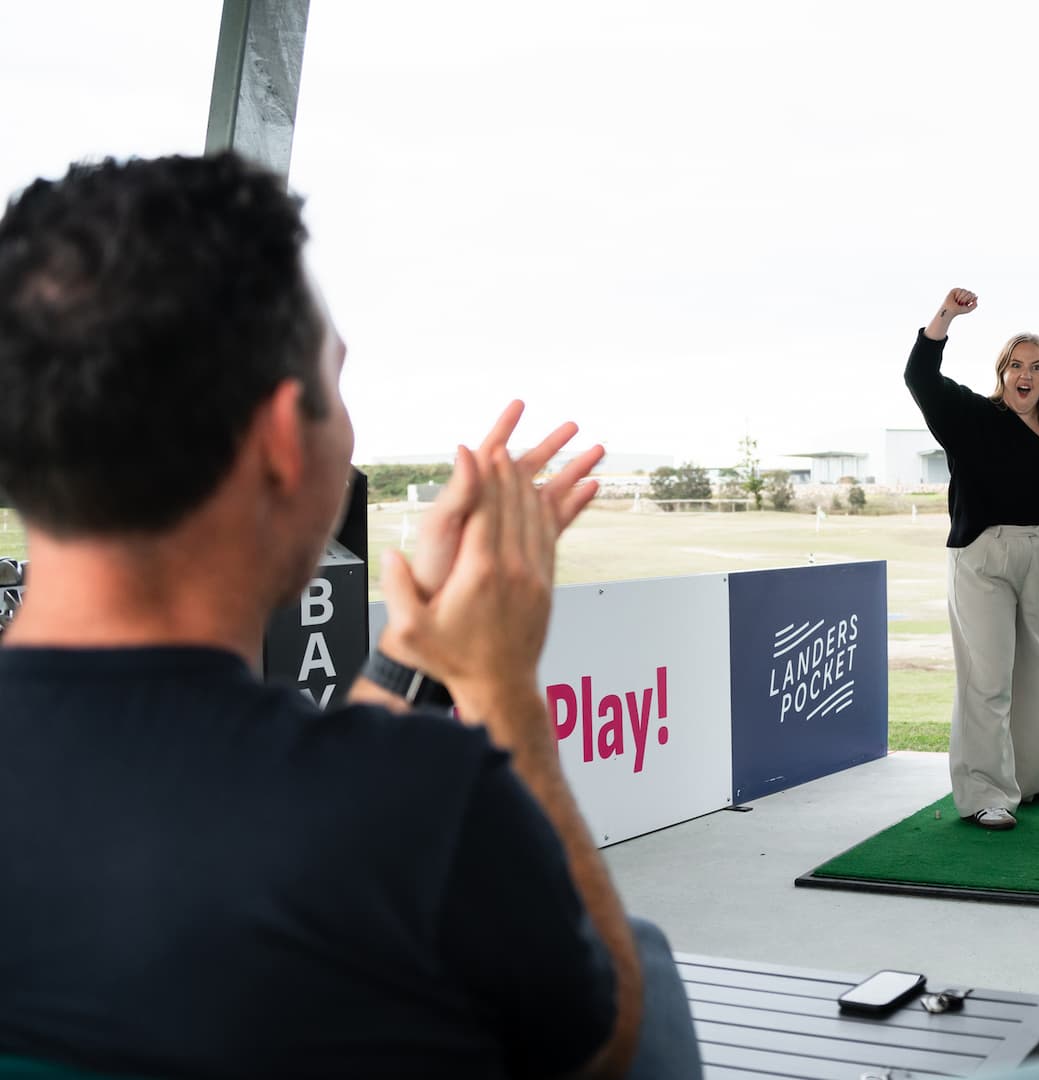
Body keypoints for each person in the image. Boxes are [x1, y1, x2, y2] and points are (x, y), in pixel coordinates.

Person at [0, 154, 700, 1078]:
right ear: (284, 439)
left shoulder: (351, 810)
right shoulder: (422, 807)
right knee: (637, 952)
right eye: (338, 383)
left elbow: (291, 811)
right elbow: (605, 1039)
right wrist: (500, 687)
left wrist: (415, 646)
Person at [905, 288, 1039, 830]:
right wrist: (946, 317)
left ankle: (1032, 778)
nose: (1027, 374)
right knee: (989, 677)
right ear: (1003, 373)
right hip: (984, 556)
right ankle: (985, 794)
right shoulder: (971, 417)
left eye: (1037, 367)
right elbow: (920, 379)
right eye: (1017, 365)